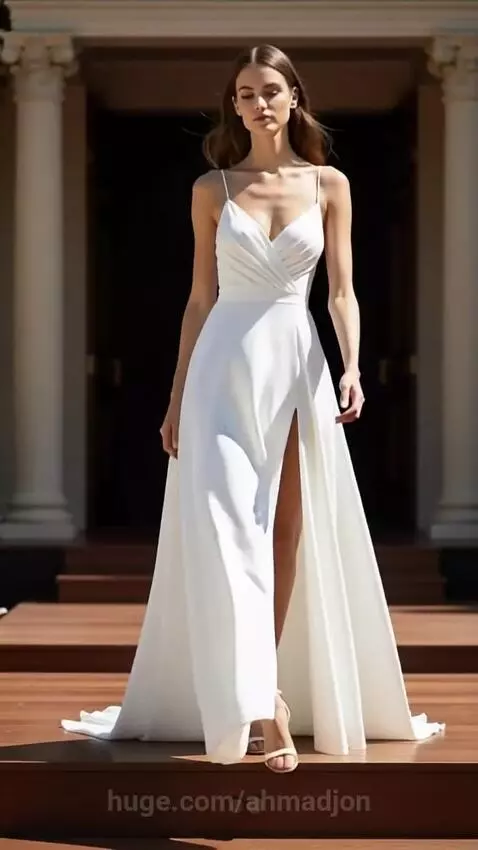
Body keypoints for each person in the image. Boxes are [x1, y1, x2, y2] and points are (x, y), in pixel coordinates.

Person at [61, 43, 444, 773]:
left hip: (297, 363)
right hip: (221, 369)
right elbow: (200, 298)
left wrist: (354, 366)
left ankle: (263, 685)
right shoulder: (212, 188)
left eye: (270, 90)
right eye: (243, 94)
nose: (257, 103)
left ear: (294, 97)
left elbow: (339, 291)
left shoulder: (331, 184)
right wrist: (176, 395)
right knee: (229, 525)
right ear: (233, 107)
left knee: (286, 533)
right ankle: (263, 704)